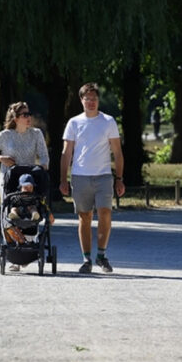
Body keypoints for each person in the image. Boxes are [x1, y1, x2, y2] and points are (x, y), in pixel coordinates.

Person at [60, 83, 125, 274]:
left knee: (105, 213)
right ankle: (86, 258)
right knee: (84, 217)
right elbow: (66, 153)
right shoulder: (74, 123)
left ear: (98, 100)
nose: (91, 102)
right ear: (81, 100)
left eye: (94, 99)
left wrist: (119, 178)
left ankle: (101, 256)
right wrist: (63, 179)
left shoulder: (108, 121)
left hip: (104, 176)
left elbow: (118, 152)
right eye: (87, 99)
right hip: (80, 176)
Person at [0, 101, 49, 271]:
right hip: (9, 178)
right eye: (24, 115)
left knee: (30, 209)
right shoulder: (6, 135)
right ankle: (14, 251)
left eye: (29, 114)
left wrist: (42, 168)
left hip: (29, 179)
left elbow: (44, 157)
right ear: (15, 118)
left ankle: (28, 248)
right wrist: (1, 159)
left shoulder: (36, 134)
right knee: (8, 210)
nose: (29, 118)